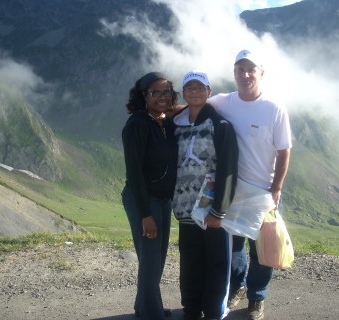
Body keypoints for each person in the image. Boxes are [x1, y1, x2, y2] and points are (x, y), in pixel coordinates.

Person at [207, 50, 292, 320]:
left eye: (250, 69)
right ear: (233, 73)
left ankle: (257, 297)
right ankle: (237, 287)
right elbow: (194, 104)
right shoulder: (223, 102)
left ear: (261, 73)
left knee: (263, 249)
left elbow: (284, 151)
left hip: (264, 191)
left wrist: (276, 188)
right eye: (239, 69)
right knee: (234, 246)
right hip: (232, 191)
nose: (245, 75)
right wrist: (160, 112)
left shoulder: (274, 108)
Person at [172, 71, 239, 320]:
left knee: (216, 262)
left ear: (209, 92)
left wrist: (219, 209)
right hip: (184, 206)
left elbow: (228, 168)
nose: (195, 92)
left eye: (200, 88)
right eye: (189, 88)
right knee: (190, 261)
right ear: (184, 93)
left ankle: (212, 311)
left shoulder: (220, 126)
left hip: (211, 210)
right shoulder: (176, 126)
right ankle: (191, 308)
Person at [121, 72, 179, 320]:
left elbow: (177, 107)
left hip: (163, 199)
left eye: (166, 92)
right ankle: (151, 314)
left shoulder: (163, 121)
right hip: (144, 199)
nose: (162, 97)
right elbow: (133, 172)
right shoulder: (138, 124)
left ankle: (145, 306)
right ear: (144, 95)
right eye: (155, 92)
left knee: (156, 256)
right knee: (151, 258)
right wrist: (145, 214)